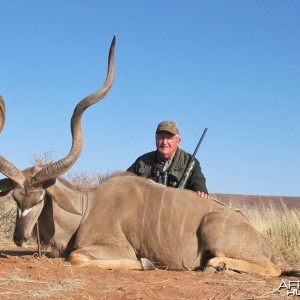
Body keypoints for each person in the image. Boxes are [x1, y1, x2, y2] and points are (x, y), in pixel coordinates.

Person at [127, 120, 209, 198]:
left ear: (178, 141)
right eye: (161, 138)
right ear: (156, 139)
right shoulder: (142, 161)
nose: (164, 142)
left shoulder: (190, 161)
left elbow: (198, 180)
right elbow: (125, 179)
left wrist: (201, 190)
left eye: (169, 138)